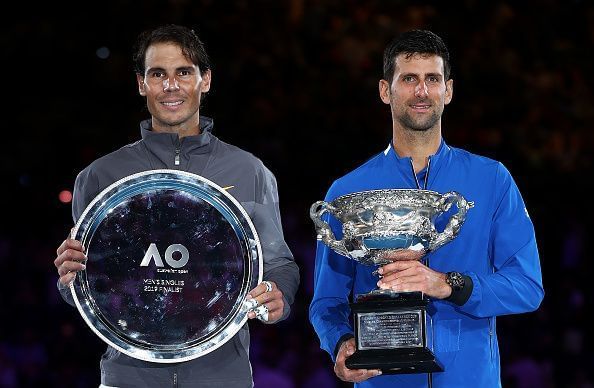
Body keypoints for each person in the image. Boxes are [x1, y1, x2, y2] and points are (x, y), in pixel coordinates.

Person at [53, 24, 300, 388]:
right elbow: (89, 287)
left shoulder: (249, 171)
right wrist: (68, 277)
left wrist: (278, 293)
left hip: (222, 376)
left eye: (184, 72)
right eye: (158, 74)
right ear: (142, 84)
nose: (171, 86)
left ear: (206, 80)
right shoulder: (100, 177)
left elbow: (278, 262)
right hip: (128, 377)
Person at [309, 29, 544, 387]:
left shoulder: (492, 179)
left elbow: (527, 286)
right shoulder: (348, 192)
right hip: (381, 379)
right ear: (385, 91)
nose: (421, 91)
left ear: (448, 90)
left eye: (432, 79)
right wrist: (340, 343)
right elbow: (326, 301)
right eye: (409, 79)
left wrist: (448, 285)